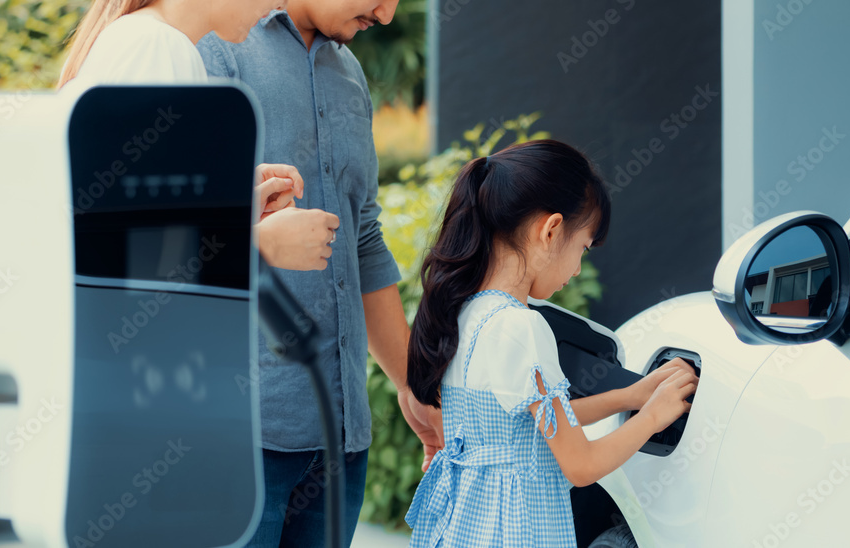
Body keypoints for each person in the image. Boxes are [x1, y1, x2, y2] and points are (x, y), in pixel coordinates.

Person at [196, 1, 444, 546]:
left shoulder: (349, 74)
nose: (385, 14)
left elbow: (364, 239)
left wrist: (411, 384)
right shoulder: (216, 46)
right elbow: (179, 230)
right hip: (242, 439)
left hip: (340, 446)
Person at [404, 140, 699, 547]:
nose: (577, 270)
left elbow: (529, 426)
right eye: (583, 249)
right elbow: (580, 464)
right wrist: (655, 415)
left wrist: (631, 395)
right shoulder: (523, 328)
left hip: (464, 529)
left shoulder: (465, 312)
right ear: (551, 230)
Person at [57, 0, 338, 271]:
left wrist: (227, 202)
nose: (281, 5)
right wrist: (265, 244)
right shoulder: (158, 47)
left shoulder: (148, 40)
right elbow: (133, 252)